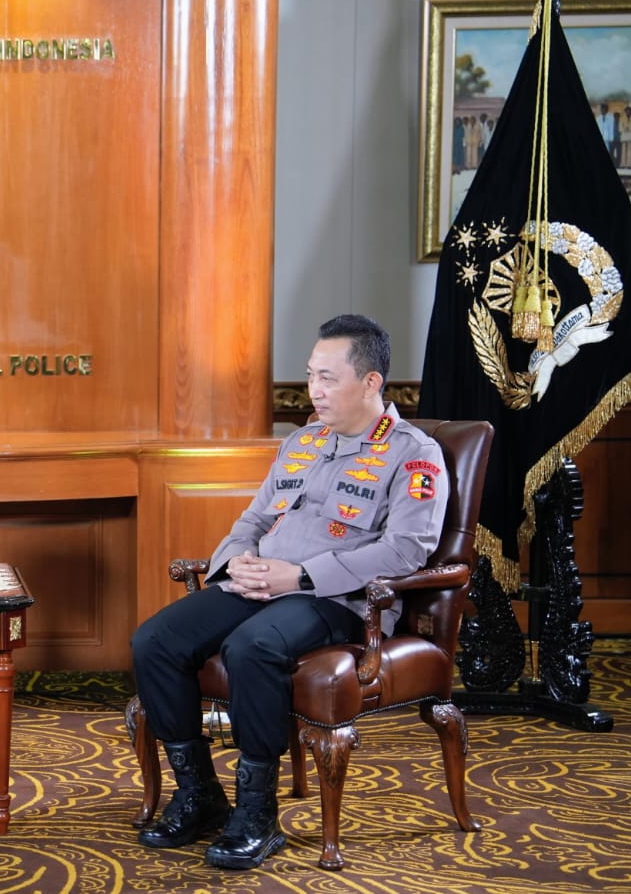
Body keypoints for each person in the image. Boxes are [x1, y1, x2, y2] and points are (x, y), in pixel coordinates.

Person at [129, 315, 449, 870]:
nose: (313, 391)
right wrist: (237, 562)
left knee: (252, 647)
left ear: (370, 382)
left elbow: (405, 552)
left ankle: (257, 814)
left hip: (338, 600)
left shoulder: (413, 454)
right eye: (309, 376)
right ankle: (200, 794)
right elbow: (253, 519)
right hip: (262, 584)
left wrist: (299, 577)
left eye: (328, 378)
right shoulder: (303, 442)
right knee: (155, 640)